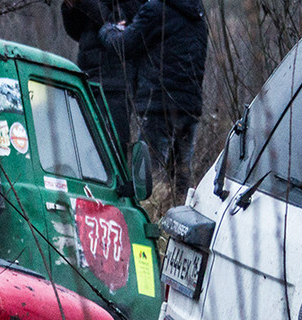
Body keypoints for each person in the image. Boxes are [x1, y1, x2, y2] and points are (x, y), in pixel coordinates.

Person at [98, 0, 207, 199]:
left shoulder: (156, 11)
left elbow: (124, 46)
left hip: (159, 106)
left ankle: (147, 223)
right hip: (190, 108)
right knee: (181, 181)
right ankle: (173, 223)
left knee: (148, 181)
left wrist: (108, 30)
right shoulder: (198, 18)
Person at [61, 0, 143, 151]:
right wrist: (70, 8)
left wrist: (83, 4)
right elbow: (76, 31)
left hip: (116, 81)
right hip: (87, 77)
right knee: (83, 145)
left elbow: (119, 23)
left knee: (114, 148)